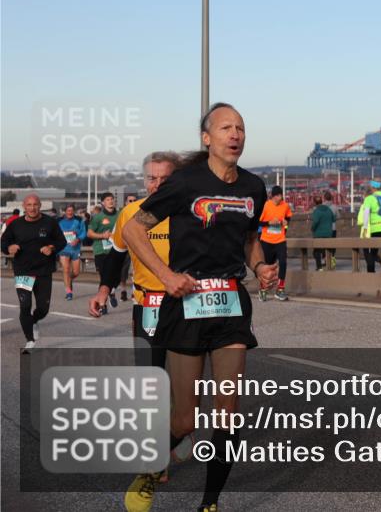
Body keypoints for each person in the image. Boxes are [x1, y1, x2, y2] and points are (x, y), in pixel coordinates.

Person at [121, 102, 276, 512]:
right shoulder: (186, 182)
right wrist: (168, 276)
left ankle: (210, 503)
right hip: (187, 303)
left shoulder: (253, 187)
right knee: (185, 421)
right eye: (226, 127)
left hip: (229, 304)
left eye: (240, 127)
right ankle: (151, 469)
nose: (235, 134)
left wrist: (259, 266)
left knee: (228, 410)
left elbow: (248, 238)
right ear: (206, 138)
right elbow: (135, 230)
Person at [87, 152, 187, 508]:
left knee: (182, 383)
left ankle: (172, 436)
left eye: (164, 179)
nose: (157, 185)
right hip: (149, 306)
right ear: (143, 181)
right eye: (151, 179)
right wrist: (103, 289)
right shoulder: (132, 214)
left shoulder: (188, 210)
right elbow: (115, 255)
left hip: (186, 305)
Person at [1, 193, 67, 352]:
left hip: (44, 270)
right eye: (29, 205)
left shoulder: (50, 222)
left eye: (35, 205)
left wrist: (51, 248)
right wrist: (8, 248)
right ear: (24, 207)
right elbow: (4, 242)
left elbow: (61, 242)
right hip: (23, 271)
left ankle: (34, 320)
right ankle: (30, 340)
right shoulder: (15, 224)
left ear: (40, 206)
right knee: (25, 306)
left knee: (43, 309)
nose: (32, 208)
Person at [259, 185, 293, 301]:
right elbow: (258, 223)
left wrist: (286, 224)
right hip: (267, 241)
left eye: (281, 195)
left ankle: (280, 289)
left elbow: (288, 219)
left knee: (283, 262)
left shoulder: (285, 206)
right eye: (278, 195)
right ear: (273, 196)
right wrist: (269, 223)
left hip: (280, 240)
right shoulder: (266, 205)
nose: (280, 197)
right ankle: (263, 289)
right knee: (267, 267)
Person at [88, 192, 120, 305]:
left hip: (116, 250)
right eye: (107, 199)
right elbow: (90, 233)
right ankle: (103, 304)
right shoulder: (98, 217)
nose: (111, 201)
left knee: (117, 277)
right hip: (101, 251)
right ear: (103, 203)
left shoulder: (120, 214)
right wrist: (102, 236)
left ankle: (112, 291)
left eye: (112, 199)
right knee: (104, 278)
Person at [57, 204, 87, 299]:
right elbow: (54, 233)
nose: (70, 212)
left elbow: (83, 232)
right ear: (65, 211)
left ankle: (68, 280)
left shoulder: (79, 220)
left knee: (76, 272)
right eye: (68, 210)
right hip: (63, 248)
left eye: (71, 211)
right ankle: (68, 292)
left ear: (73, 211)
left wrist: (78, 239)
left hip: (75, 249)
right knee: (65, 269)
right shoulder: (59, 221)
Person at [309, 193, 336, 270]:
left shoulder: (316, 211)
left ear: (315, 203)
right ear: (322, 201)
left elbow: (315, 222)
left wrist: (312, 228)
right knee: (327, 249)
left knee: (316, 251)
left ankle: (319, 267)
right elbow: (334, 219)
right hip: (328, 233)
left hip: (318, 234)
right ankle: (329, 265)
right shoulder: (329, 209)